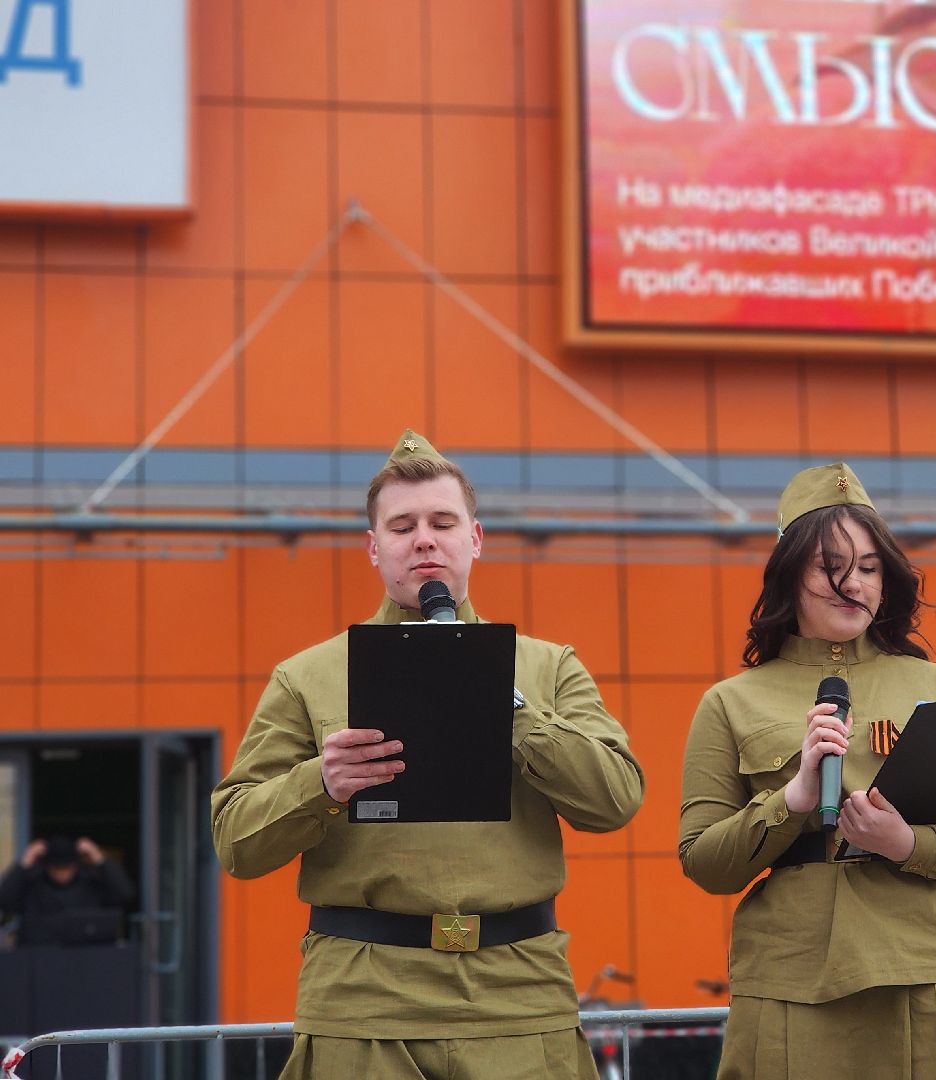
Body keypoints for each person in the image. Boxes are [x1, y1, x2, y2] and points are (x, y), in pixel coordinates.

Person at [211, 430, 644, 1080]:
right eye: (403, 525)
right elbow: (235, 842)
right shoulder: (309, 677)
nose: (424, 539)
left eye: (443, 522)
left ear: (475, 538)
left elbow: (615, 799)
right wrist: (319, 784)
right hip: (364, 1001)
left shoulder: (547, 668)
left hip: (518, 996)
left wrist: (514, 710)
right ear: (374, 547)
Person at [679, 463, 936, 1078]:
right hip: (793, 979)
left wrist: (907, 842)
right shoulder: (731, 701)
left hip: (929, 970)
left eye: (869, 568)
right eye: (830, 566)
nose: (853, 584)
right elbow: (704, 861)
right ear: (789, 575)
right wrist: (790, 800)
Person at [0, 835, 135, 945]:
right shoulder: (33, 884)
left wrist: (99, 858)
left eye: (66, 867)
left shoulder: (91, 883)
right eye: (56, 868)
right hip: (39, 957)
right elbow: (4, 898)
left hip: (86, 956)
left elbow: (125, 893)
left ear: (75, 865)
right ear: (47, 866)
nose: (61, 873)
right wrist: (25, 861)